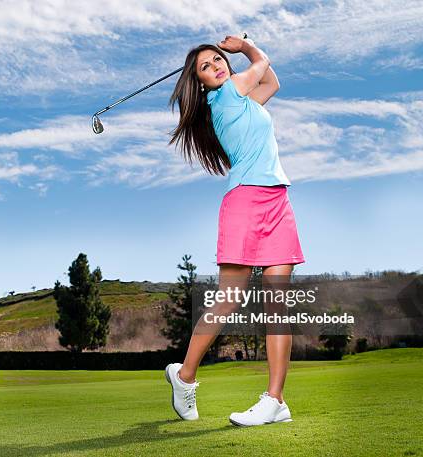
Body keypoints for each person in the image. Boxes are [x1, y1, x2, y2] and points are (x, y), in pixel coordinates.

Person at [165, 35, 305, 426]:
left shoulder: (242, 101)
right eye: (206, 67)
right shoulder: (225, 96)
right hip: (245, 202)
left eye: (217, 60)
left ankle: (275, 401)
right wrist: (246, 48)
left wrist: (246, 51)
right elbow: (262, 65)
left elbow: (272, 82)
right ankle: (185, 375)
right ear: (203, 84)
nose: (216, 67)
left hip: (278, 200)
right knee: (228, 299)